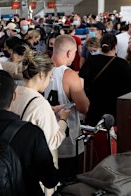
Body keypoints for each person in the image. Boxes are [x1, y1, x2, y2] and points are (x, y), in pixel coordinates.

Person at [10, 50, 69, 166]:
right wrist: (63, 120)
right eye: (50, 77)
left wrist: (50, 111)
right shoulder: (41, 104)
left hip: (15, 160)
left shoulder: (13, 94)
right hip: (35, 167)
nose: (49, 81)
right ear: (42, 74)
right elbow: (52, 141)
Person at [44, 35, 90, 181]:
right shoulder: (69, 75)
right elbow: (84, 107)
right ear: (70, 53)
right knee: (68, 183)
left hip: (46, 135)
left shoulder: (41, 70)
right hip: (67, 140)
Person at [79, 33, 131, 123]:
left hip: (94, 108)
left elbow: (81, 83)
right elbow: (128, 90)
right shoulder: (123, 64)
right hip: (115, 111)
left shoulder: (91, 61)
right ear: (115, 46)